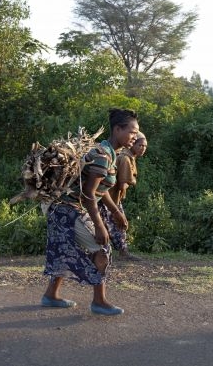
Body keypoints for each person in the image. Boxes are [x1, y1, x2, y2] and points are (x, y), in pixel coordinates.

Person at [41, 108, 139, 316]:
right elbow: (88, 194)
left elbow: (101, 191)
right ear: (118, 129)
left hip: (67, 210)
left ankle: (51, 295)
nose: (135, 137)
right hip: (67, 211)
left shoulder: (110, 153)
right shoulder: (102, 156)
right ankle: (99, 301)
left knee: (67, 250)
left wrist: (116, 212)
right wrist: (100, 226)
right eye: (132, 131)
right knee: (102, 248)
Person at [100, 131, 148, 261]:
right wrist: (132, 181)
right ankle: (122, 252)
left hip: (110, 197)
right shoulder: (126, 158)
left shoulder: (128, 156)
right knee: (119, 224)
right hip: (110, 198)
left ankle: (111, 251)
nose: (143, 149)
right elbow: (122, 184)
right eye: (140, 145)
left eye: (145, 146)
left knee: (108, 224)